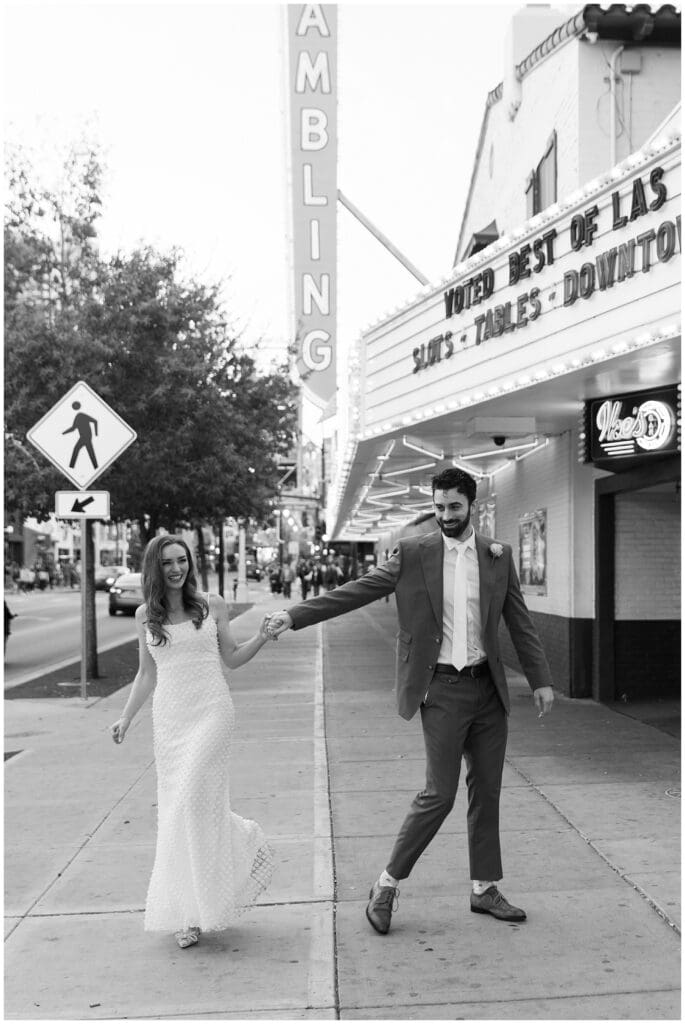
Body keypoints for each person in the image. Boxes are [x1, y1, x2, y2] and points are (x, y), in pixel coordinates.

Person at [267, 467, 554, 934]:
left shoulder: (497, 556)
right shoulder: (415, 552)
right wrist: (295, 615)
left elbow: (518, 620)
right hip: (440, 689)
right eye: (438, 507)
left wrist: (540, 678)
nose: (445, 516)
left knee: (487, 791)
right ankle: (386, 885)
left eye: (454, 507)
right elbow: (356, 591)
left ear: (472, 506)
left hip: (488, 690)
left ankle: (484, 888)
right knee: (438, 794)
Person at [109, 535, 274, 949]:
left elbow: (231, 658)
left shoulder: (211, 604)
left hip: (213, 711)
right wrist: (125, 718)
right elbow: (147, 673)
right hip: (170, 719)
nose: (176, 568)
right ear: (155, 567)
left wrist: (263, 637)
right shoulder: (147, 614)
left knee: (189, 800)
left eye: (182, 560)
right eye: (167, 562)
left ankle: (225, 869)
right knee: (181, 813)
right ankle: (189, 911)